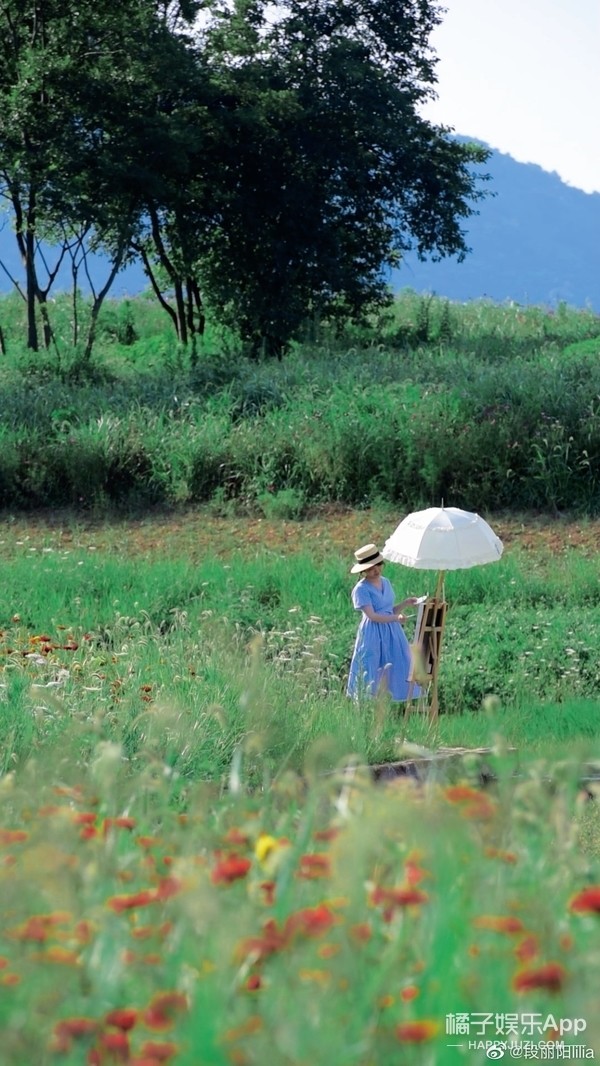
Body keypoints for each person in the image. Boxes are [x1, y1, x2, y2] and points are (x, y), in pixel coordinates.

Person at [346, 543, 422, 702]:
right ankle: (369, 703)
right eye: (371, 567)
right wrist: (396, 618)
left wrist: (405, 604)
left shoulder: (385, 582)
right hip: (373, 632)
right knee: (372, 665)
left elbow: (389, 610)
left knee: (399, 663)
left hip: (392, 631)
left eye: (378, 565)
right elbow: (372, 616)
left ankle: (396, 701)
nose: (376, 570)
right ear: (364, 570)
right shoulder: (361, 589)